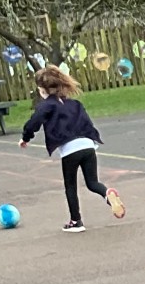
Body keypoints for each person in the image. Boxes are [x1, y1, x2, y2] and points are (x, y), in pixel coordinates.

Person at [19, 65, 126, 231]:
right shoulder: (75, 104)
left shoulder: (46, 106)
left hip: (70, 150)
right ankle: (107, 193)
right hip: (88, 146)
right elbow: (87, 122)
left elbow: (34, 122)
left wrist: (25, 138)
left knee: (71, 186)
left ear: (42, 90)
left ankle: (76, 221)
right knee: (92, 182)